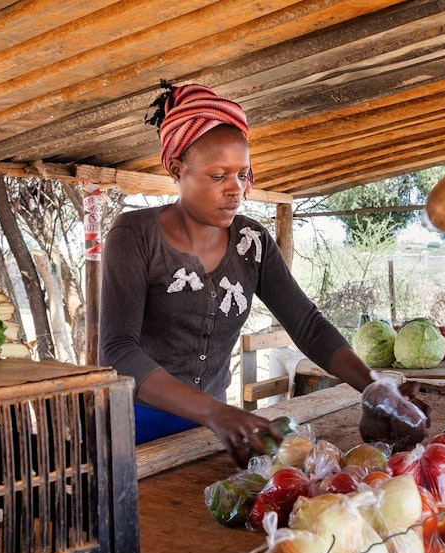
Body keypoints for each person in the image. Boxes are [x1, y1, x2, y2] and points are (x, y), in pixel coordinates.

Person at [98, 83, 399, 467]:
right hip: (134, 425)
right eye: (218, 175)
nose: (235, 190)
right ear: (176, 169)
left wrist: (374, 386)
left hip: (209, 433)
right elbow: (119, 351)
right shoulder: (135, 235)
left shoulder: (251, 242)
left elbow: (307, 324)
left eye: (242, 175)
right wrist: (214, 411)